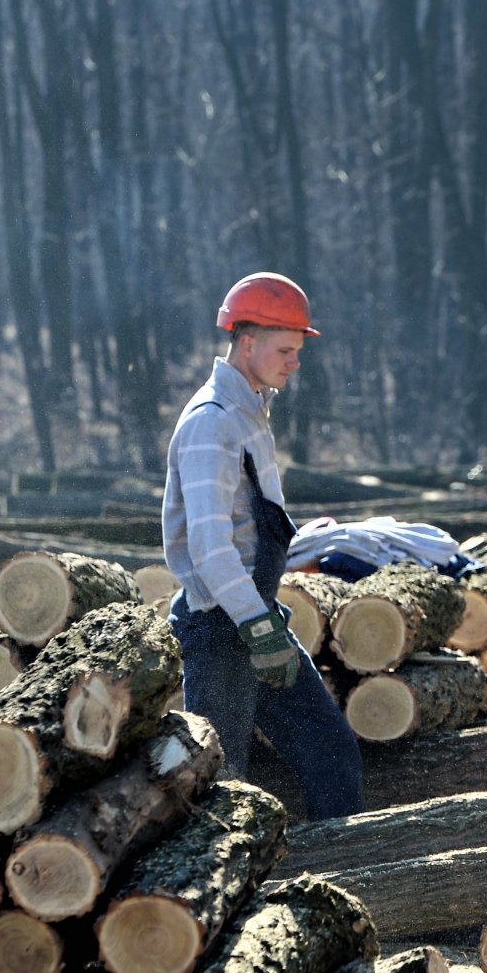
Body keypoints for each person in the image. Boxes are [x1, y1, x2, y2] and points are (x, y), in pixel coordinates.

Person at [162, 272, 363, 820]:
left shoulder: (249, 409)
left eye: (298, 350)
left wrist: (261, 621)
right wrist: (256, 625)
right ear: (246, 342)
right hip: (220, 627)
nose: (295, 361)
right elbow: (208, 546)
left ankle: (344, 880)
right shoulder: (213, 423)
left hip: (253, 618)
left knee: (331, 752)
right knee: (219, 786)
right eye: (285, 349)